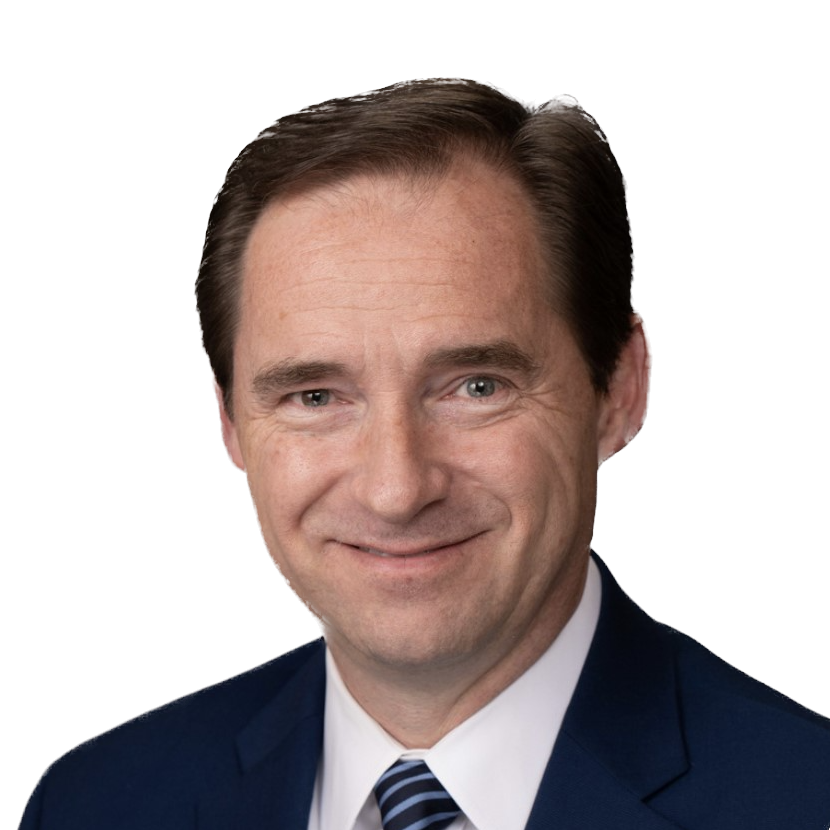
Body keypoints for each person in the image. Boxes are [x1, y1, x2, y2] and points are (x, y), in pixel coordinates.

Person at [20, 79, 830, 830]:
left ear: (618, 387)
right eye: (315, 397)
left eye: (476, 387)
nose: (396, 490)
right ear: (230, 421)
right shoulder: (95, 804)